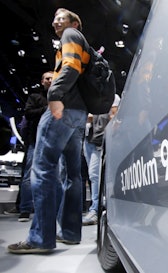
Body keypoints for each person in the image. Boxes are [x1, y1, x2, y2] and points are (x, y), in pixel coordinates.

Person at [8, 8, 89, 254]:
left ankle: (41, 237)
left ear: (75, 22)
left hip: (63, 109)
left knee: (43, 168)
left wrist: (54, 95)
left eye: (61, 18)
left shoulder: (71, 35)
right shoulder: (82, 41)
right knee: (73, 176)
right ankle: (71, 233)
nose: (55, 22)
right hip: (79, 114)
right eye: (54, 18)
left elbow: (71, 67)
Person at [18, 71, 53, 222]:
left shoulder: (61, 97)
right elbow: (28, 112)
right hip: (36, 140)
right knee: (29, 176)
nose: (50, 80)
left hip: (55, 141)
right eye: (47, 78)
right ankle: (25, 209)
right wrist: (46, 109)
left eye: (52, 78)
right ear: (42, 81)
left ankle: (49, 209)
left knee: (54, 177)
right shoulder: (35, 97)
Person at [82, 94, 120, 225]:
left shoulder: (112, 97)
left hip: (101, 139)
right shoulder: (87, 96)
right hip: (88, 139)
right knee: (94, 176)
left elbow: (114, 117)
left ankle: (96, 209)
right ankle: (99, 208)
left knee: (95, 175)